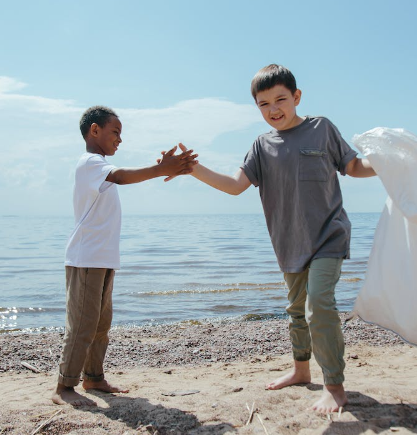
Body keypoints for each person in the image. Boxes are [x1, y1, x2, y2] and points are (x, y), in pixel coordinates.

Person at [175, 64, 376, 413]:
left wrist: (387, 163)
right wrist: (192, 168)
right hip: (288, 242)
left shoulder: (321, 128)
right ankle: (300, 371)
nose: (274, 109)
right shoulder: (261, 145)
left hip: (330, 235)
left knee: (318, 307)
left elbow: (354, 167)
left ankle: (334, 385)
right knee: (297, 311)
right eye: (264, 104)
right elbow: (235, 186)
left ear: (297, 97)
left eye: (281, 99)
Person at [52, 105, 197, 407]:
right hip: (87, 258)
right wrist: (160, 169)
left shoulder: (98, 167)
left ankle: (93, 377)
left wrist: (163, 168)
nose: (120, 139)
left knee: (101, 324)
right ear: (95, 131)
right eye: (115, 132)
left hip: (103, 259)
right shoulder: (90, 163)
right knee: (82, 323)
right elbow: (121, 176)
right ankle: (64, 386)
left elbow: (120, 176)